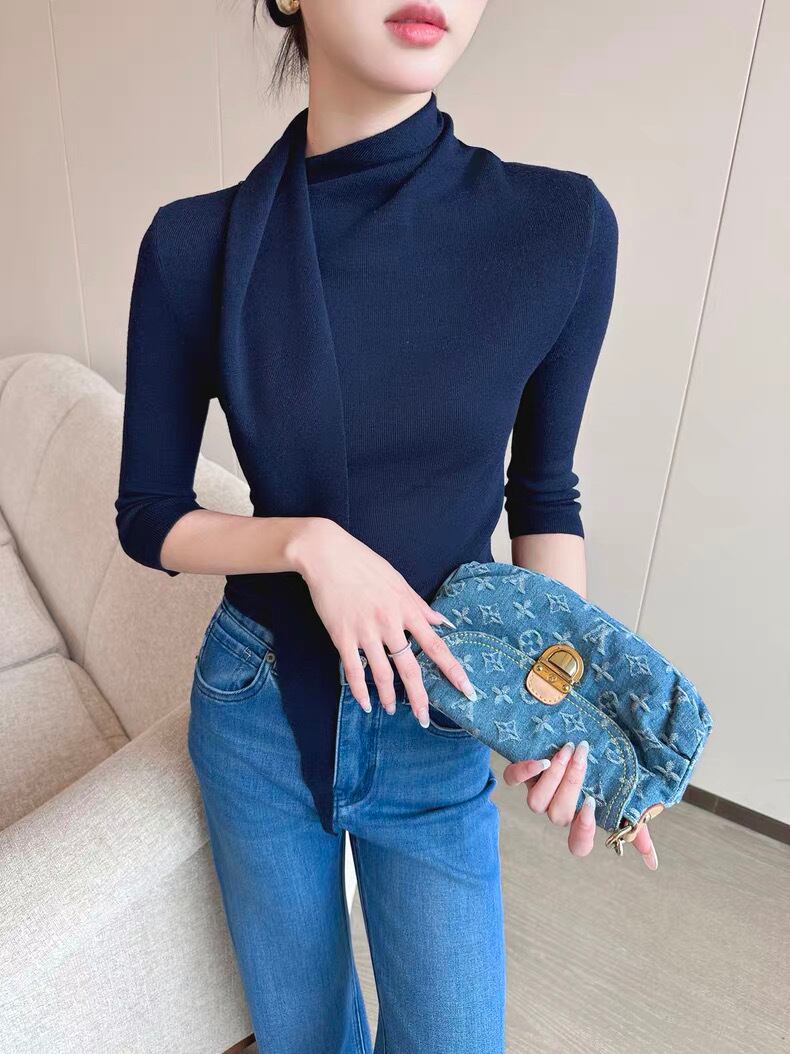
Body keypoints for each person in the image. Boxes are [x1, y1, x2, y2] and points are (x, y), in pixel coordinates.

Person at [115, 1, 656, 1050]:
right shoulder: (193, 245)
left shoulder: (559, 229)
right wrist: (306, 543)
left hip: (437, 709)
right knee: (305, 1033)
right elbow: (150, 515)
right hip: (258, 705)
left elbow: (543, 493)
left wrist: (560, 695)